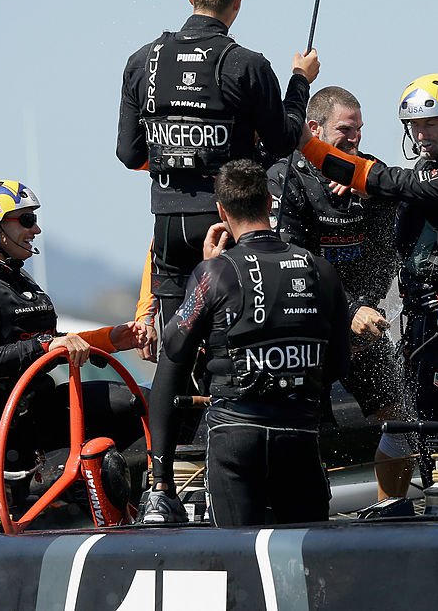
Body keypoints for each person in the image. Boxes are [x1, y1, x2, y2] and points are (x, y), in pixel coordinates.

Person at [116, 0, 320, 331]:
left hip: (168, 226)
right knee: (228, 337)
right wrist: (300, 80)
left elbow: (129, 153)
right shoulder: (247, 64)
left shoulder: (142, 61)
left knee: (176, 343)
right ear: (237, 4)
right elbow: (282, 141)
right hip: (227, 220)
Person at [142, 160, 350, 527]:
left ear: (221, 210)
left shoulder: (215, 272)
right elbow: (337, 364)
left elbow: (173, 349)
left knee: (238, 568)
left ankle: (160, 485)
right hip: (298, 437)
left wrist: (205, 272)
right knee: (308, 567)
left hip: (236, 439)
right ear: (270, 203)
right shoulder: (321, 269)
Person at [0, 180, 147, 531]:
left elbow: (50, 341)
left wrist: (110, 339)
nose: (36, 229)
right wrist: (45, 347)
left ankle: (138, 496)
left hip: (38, 412)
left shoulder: (21, 281)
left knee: (131, 402)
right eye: (26, 220)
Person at [296, 74, 438, 440]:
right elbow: (402, 196)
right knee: (413, 420)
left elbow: (396, 182)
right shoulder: (429, 166)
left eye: (430, 124)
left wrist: (308, 146)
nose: (421, 135)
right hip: (423, 317)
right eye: (415, 126)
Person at [268, 86, 413, 499]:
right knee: (301, 432)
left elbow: (388, 253)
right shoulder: (286, 175)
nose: (355, 139)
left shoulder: (370, 173)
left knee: (402, 419)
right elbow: (294, 261)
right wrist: (347, 310)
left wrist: (365, 304)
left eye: (360, 130)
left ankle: (392, 513)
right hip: (306, 331)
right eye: (345, 130)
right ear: (313, 128)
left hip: (360, 329)